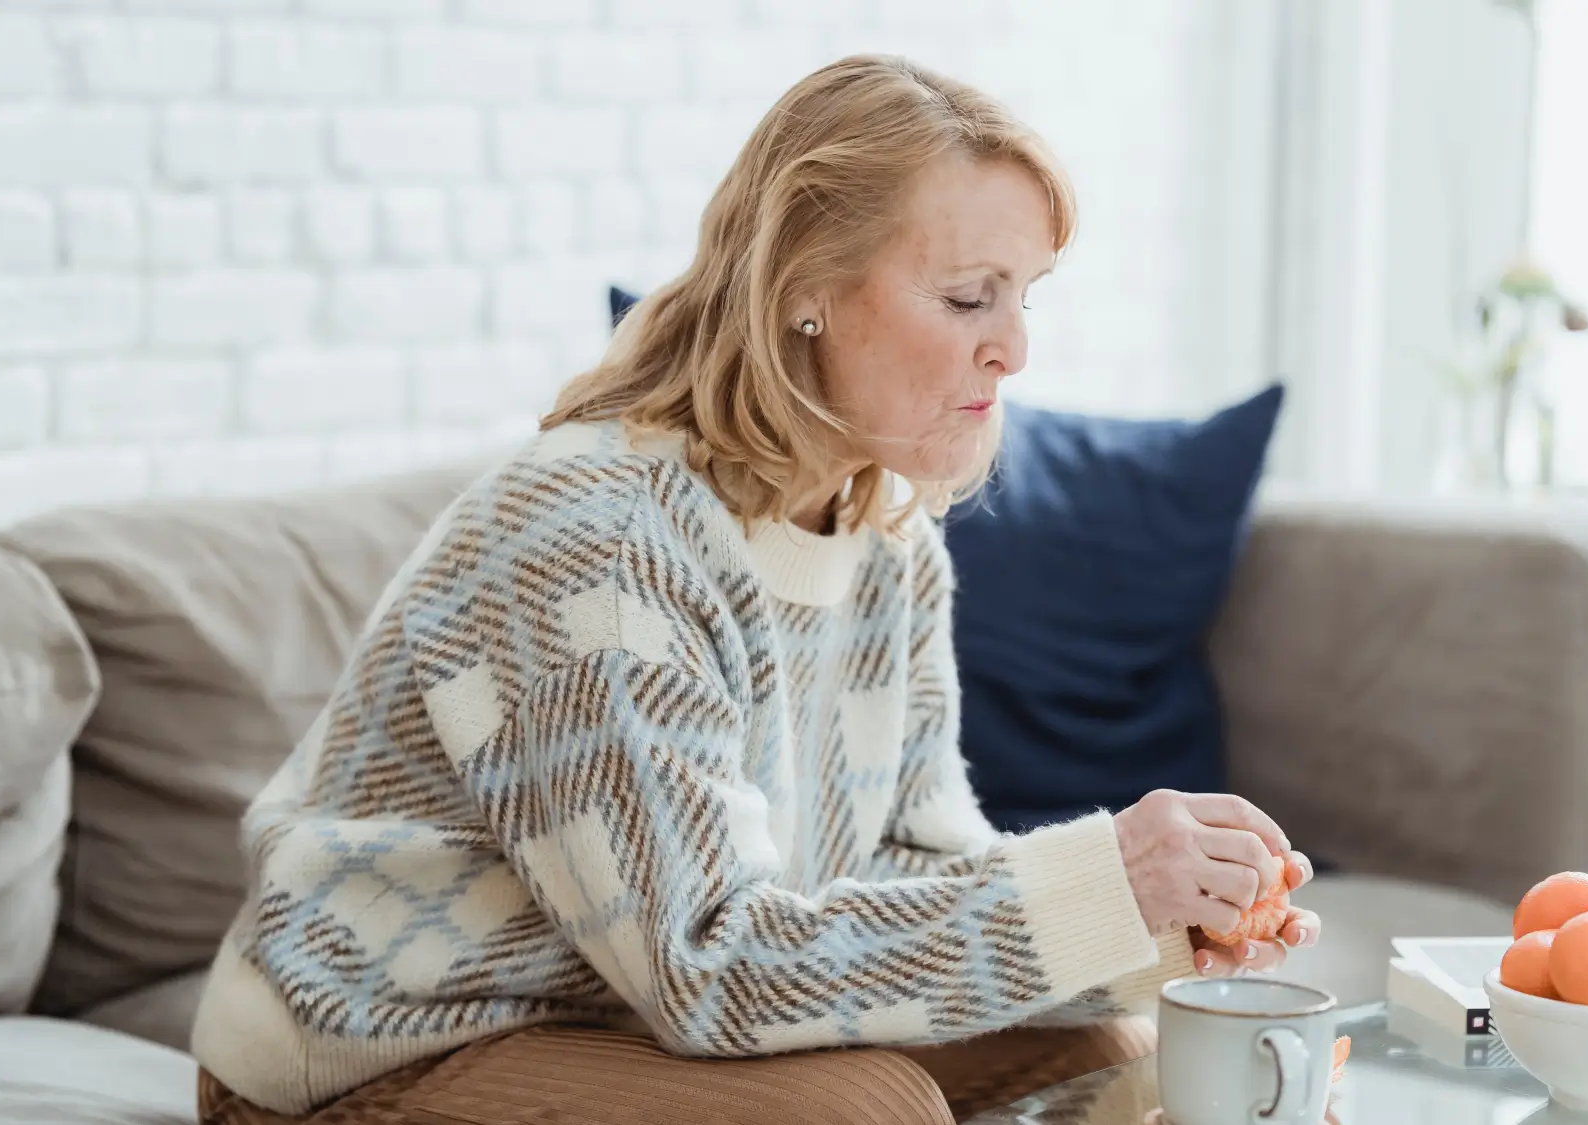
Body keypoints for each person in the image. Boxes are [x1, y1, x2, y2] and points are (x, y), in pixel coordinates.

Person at [190, 54, 1323, 1125]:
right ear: (805, 291)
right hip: (372, 1054)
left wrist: (1145, 926)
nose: (1015, 349)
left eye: (1026, 294)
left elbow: (905, 870)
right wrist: (1101, 876)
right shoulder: (600, 540)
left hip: (619, 1010)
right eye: (970, 296)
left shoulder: (885, 536)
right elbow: (707, 966)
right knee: (864, 1112)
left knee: (1107, 1050)